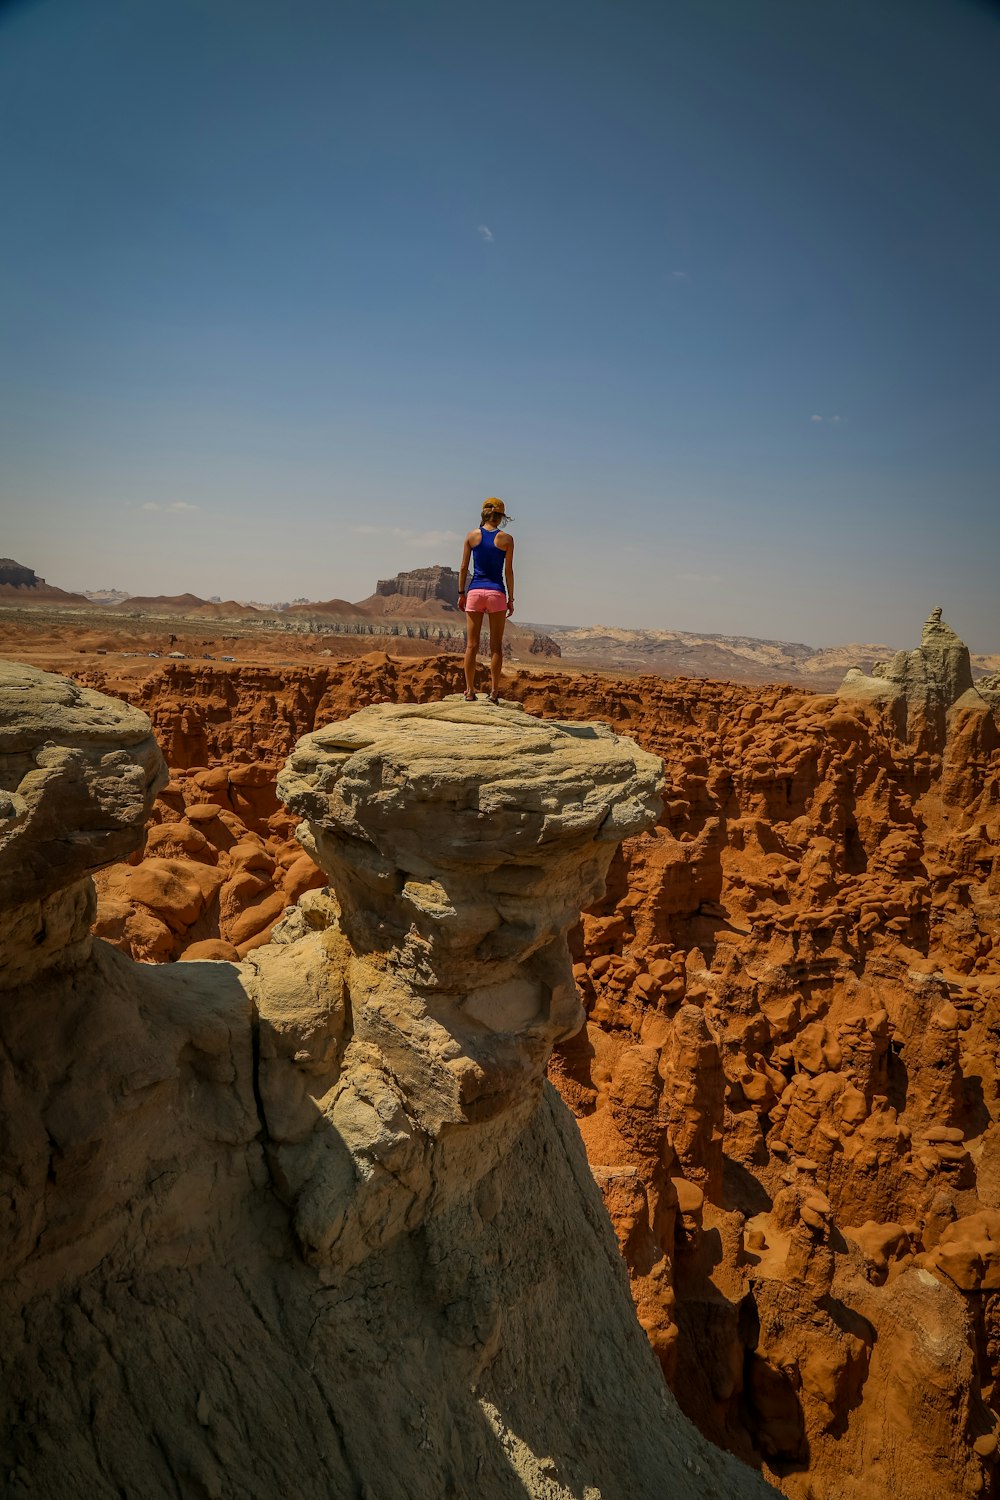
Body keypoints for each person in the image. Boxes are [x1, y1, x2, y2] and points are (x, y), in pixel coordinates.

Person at [457, 498, 514, 702]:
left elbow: (464, 567)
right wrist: (511, 598)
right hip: (496, 593)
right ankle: (494, 692)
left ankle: (470, 691)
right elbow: (508, 572)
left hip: (474, 593)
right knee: (496, 646)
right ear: (500, 516)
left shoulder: (471, 536)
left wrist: (461, 593)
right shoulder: (506, 539)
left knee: (471, 646)